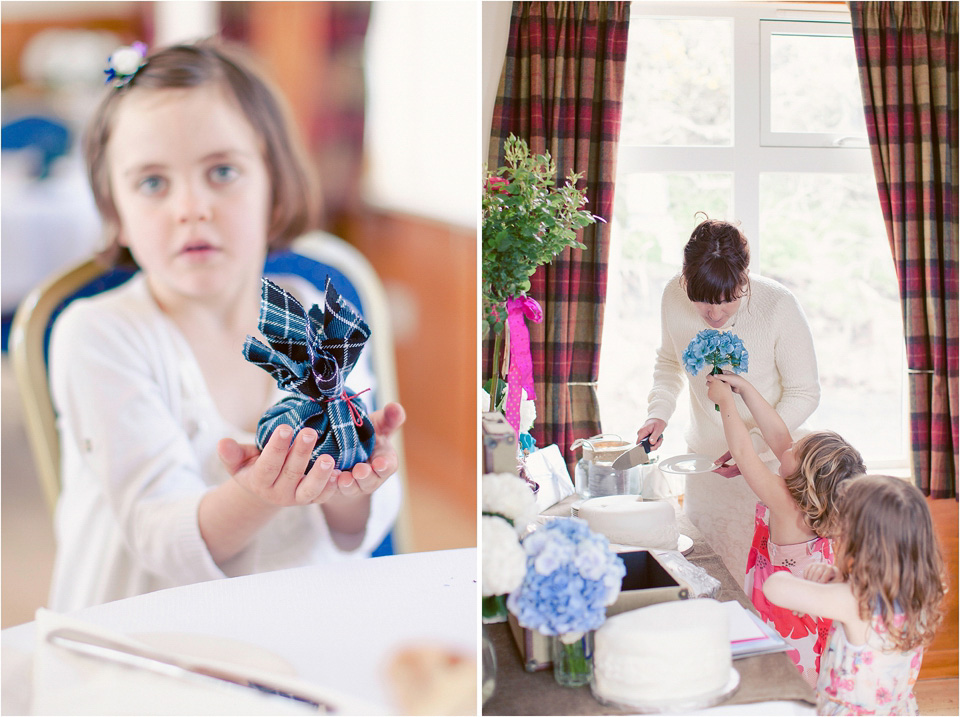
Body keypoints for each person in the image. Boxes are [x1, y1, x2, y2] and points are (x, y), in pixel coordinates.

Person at [47, 39, 404, 612]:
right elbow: (158, 534)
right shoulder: (98, 335)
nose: (192, 206)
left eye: (222, 171)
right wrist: (259, 494)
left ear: (275, 188)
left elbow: (358, 528)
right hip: (138, 643)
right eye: (153, 183)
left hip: (296, 634)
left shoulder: (314, 315)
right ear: (115, 214)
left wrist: (351, 481)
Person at [636, 215, 820, 587]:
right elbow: (670, 361)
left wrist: (749, 448)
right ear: (686, 280)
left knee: (765, 588)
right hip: (706, 466)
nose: (715, 314)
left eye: (727, 302)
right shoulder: (673, 294)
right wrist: (659, 413)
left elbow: (805, 392)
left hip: (772, 467)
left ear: (744, 280)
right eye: (703, 303)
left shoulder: (778, 305)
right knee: (708, 575)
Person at [707, 372, 865, 687]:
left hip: (791, 623)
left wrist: (726, 402)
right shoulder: (815, 501)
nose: (786, 447)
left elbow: (744, 452)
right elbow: (780, 436)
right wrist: (747, 390)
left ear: (805, 473)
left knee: (786, 682)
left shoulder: (786, 504)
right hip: (808, 619)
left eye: (796, 450)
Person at [763, 475, 946, 714]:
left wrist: (824, 584)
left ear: (859, 543)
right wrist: (835, 576)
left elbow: (774, 587)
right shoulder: (920, 590)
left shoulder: (854, 600)